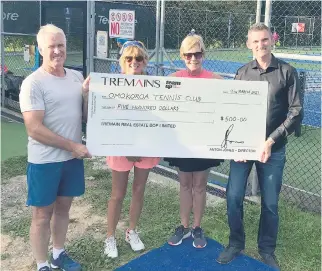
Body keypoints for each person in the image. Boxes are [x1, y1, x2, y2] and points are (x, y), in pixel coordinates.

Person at [216, 23, 302, 270]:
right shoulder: (242, 73)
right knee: (233, 196)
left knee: (271, 202)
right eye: (255, 41)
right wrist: (236, 145)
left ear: (272, 41)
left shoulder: (287, 72)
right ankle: (235, 243)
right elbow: (232, 112)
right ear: (248, 44)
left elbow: (295, 112)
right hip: (243, 150)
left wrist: (270, 140)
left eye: (264, 40)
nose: (260, 45)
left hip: (273, 149)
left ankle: (266, 249)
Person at [19, 24, 91, 271]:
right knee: (41, 216)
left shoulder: (76, 77)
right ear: (40, 49)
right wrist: (73, 145)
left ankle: (58, 254)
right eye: (52, 46)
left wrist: (86, 97)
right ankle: (42, 265)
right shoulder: (33, 83)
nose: (58, 51)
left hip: (71, 159)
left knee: (63, 210)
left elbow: (83, 117)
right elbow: (34, 129)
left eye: (61, 45)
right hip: (45, 161)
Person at [165, 32, 223, 249]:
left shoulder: (215, 80)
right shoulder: (174, 79)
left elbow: (232, 99)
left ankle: (197, 227)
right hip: (182, 142)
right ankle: (183, 226)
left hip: (204, 142)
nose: (193, 58)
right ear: (182, 56)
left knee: (199, 186)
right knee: (184, 184)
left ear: (203, 54)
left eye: (197, 54)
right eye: (188, 54)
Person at [103, 40, 160, 258]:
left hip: (146, 146)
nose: (134, 62)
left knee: (139, 190)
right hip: (121, 147)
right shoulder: (112, 86)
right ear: (122, 62)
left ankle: (131, 231)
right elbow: (108, 118)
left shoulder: (154, 87)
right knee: (117, 194)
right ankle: (110, 237)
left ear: (145, 61)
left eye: (138, 58)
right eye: (129, 58)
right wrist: (125, 145)